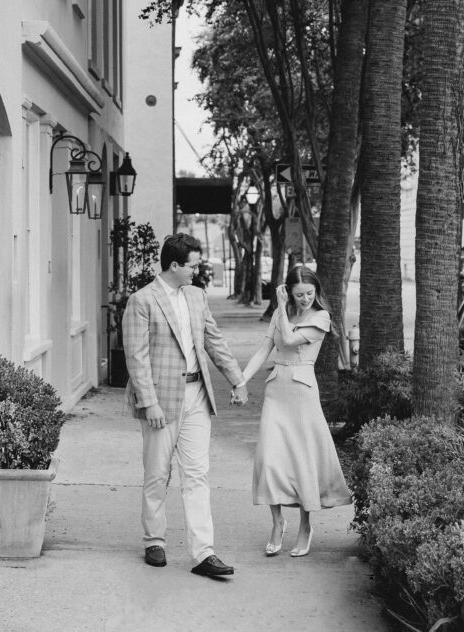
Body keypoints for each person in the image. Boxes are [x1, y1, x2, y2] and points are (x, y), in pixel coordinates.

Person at [123, 233, 248, 579]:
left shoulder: (196, 296)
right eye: (193, 265)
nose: (198, 270)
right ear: (175, 265)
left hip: (197, 395)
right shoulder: (142, 301)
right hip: (161, 399)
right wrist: (149, 403)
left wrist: (236, 378)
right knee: (157, 474)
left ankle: (204, 553)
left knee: (196, 474)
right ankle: (154, 540)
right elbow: (136, 357)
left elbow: (213, 340)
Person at [238, 265, 352, 557]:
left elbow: (288, 341)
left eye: (309, 293)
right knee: (269, 457)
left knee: (302, 460)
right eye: (299, 294)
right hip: (277, 390)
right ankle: (277, 523)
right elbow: (266, 349)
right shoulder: (283, 314)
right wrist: (240, 381)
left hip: (302, 392)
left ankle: (305, 526)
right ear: (290, 291)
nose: (304, 299)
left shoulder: (321, 317)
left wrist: (279, 305)